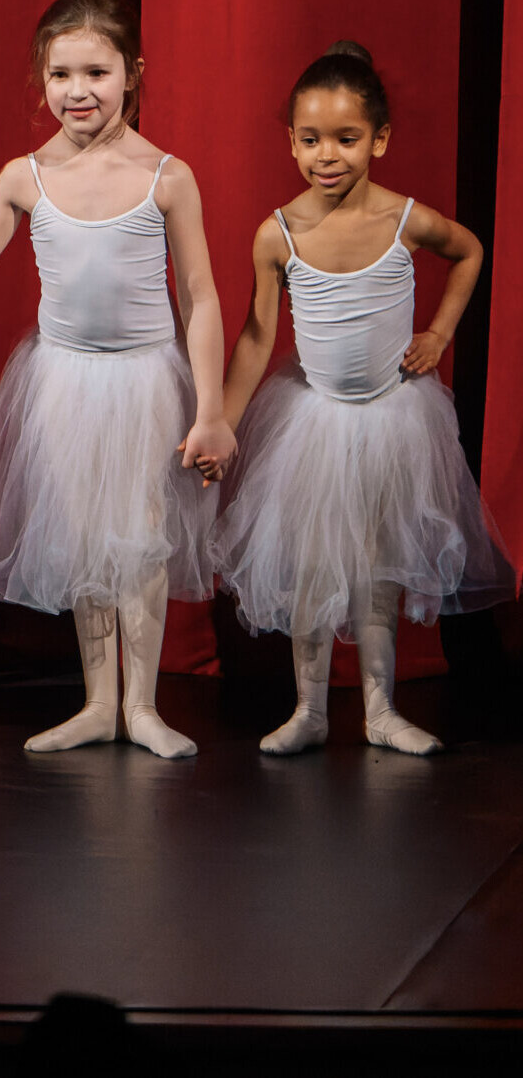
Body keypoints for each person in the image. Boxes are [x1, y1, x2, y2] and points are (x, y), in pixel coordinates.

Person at [0, 0, 230, 757]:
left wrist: (213, 410)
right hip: (63, 379)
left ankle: (145, 708)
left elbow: (199, 296)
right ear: (41, 79)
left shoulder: (167, 176)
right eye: (61, 74)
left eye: (97, 70)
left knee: (143, 537)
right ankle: (99, 702)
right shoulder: (24, 177)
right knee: (85, 533)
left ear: (133, 72)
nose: (79, 90)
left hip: (143, 381)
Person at [214, 42, 513, 755]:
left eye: (346, 139)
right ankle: (310, 712)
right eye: (311, 140)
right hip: (312, 421)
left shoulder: (404, 220)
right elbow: (257, 339)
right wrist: (221, 424)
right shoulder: (277, 233)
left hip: (391, 418)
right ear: (290, 141)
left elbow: (469, 250)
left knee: (379, 562)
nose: (328, 156)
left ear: (379, 139)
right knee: (316, 564)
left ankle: (380, 711)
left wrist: (439, 331)